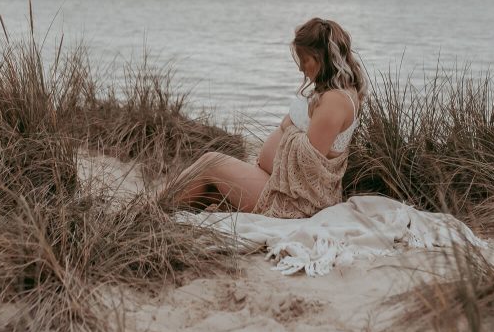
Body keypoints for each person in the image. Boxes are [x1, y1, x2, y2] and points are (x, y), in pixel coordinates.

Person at [156, 17, 368, 218]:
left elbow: (308, 164)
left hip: (294, 201)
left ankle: (151, 208)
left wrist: (288, 126)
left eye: (305, 60)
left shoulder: (335, 100)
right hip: (280, 185)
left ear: (322, 57)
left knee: (210, 162)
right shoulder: (334, 93)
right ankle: (156, 210)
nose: (301, 67)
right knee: (209, 191)